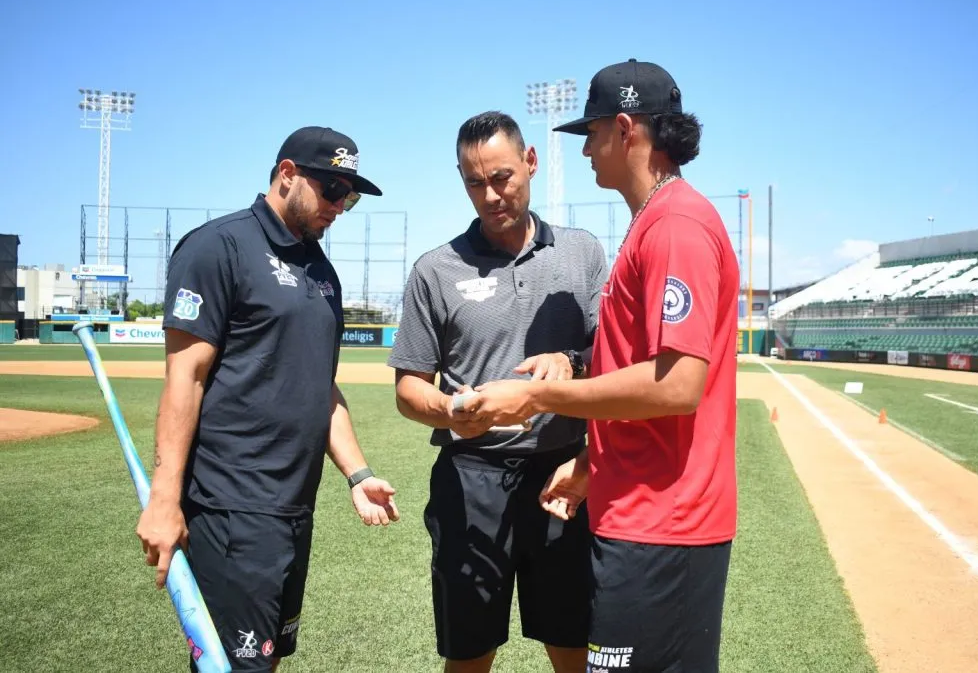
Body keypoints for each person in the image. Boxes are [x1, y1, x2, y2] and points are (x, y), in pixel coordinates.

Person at [464, 59, 740, 672]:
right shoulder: (653, 223)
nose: (587, 149)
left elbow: (677, 384)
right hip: (638, 512)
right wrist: (593, 460)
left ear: (625, 129)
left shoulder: (677, 225)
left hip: (665, 522)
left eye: (591, 133)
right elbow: (641, 370)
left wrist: (538, 399)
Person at [138, 126, 401, 672]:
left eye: (349, 196)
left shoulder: (320, 270)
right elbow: (184, 377)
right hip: (232, 506)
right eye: (332, 190)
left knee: (266, 659)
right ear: (286, 175)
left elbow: (320, 388)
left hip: (292, 508)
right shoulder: (219, 247)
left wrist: (357, 474)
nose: (340, 206)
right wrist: (164, 501)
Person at [386, 110, 609, 673]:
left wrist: (571, 360)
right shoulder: (435, 269)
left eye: (502, 177)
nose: (489, 195)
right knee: (468, 650)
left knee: (572, 643)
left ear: (531, 163)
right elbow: (409, 387)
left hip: (563, 476)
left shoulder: (582, 253)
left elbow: (611, 358)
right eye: (473, 182)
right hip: (470, 480)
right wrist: (449, 409)